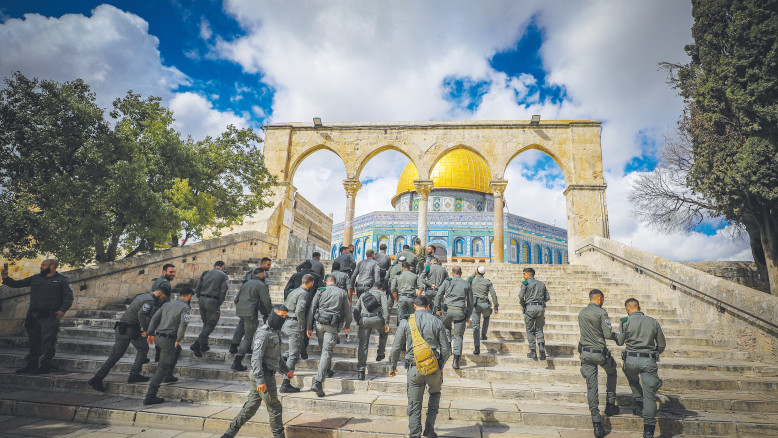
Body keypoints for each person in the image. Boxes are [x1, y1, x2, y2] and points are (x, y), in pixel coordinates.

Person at [220, 304, 290, 438]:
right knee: (275, 408)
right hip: (263, 376)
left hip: (265, 375)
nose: (283, 319)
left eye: (285, 317)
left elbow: (276, 356)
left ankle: (228, 435)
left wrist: (286, 370)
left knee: (250, 408)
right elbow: (256, 358)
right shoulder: (263, 333)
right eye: (281, 316)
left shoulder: (275, 332)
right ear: (273, 315)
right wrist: (260, 379)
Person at [88, 283, 171, 391]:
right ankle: (134, 374)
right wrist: (146, 329)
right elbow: (141, 314)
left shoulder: (142, 296)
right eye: (163, 297)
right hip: (130, 329)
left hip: (122, 327)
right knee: (142, 349)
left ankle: (98, 378)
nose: (162, 299)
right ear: (159, 292)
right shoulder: (150, 300)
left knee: (116, 355)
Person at [388, 295, 450, 438]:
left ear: (414, 306)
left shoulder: (406, 321)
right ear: (428, 306)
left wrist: (392, 367)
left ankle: (415, 434)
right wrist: (440, 364)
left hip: (414, 368)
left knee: (414, 404)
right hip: (433, 368)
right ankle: (429, 430)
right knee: (435, 395)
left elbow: (396, 347)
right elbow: (446, 350)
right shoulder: (437, 321)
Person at [2, 259, 73, 374]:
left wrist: (62, 310)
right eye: (41, 264)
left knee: (48, 341)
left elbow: (68, 297)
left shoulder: (62, 280)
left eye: (43, 265)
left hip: (50, 316)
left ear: (52, 266)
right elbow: (17, 284)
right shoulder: (35, 278)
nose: (41, 266)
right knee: (33, 341)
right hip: (33, 315)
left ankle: (46, 365)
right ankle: (32, 365)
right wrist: (6, 278)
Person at [616, 298, 666, 438]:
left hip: (631, 360)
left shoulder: (625, 321)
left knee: (633, 380)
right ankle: (648, 431)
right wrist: (652, 352)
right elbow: (661, 345)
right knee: (650, 396)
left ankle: (639, 401)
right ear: (639, 307)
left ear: (627, 308)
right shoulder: (653, 321)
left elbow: (619, 341)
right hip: (648, 361)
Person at [578, 289, 620, 438]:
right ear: (599, 298)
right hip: (599, 354)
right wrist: (619, 336)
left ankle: (596, 424)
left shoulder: (582, 313)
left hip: (585, 354)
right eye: (603, 299)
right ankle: (610, 404)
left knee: (592, 387)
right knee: (612, 371)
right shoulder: (602, 313)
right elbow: (608, 334)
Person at [143, 287, 194, 405]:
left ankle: (169, 375)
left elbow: (155, 318)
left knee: (177, 350)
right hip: (168, 339)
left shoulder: (167, 304)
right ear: (189, 296)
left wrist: (150, 333)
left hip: (158, 337)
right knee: (162, 366)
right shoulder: (185, 307)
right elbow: (183, 325)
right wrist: (179, 339)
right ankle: (150, 396)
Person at [306, 276, 352, 397]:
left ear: (326, 282)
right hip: (331, 326)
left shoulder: (320, 290)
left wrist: (309, 327)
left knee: (324, 349)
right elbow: (348, 312)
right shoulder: (342, 292)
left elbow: (312, 308)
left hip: (319, 324)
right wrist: (347, 325)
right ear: (335, 283)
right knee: (326, 351)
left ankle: (326, 369)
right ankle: (318, 382)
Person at [232, 268, 272, 371]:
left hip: (241, 311)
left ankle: (247, 349)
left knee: (247, 333)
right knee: (248, 337)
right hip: (250, 312)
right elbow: (266, 301)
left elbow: (236, 299)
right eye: (264, 274)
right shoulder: (261, 285)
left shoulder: (246, 283)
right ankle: (237, 362)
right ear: (262, 274)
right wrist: (269, 312)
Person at [434, 266, 473, 370]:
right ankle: (456, 360)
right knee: (458, 336)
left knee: (446, 328)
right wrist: (468, 315)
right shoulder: (466, 284)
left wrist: (438, 308)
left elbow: (438, 295)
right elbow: (470, 302)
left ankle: (448, 348)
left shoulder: (447, 282)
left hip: (447, 311)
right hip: (460, 311)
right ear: (461, 273)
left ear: (452, 273)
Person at [280, 274, 314, 393]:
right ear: (310, 283)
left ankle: (282, 361)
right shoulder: (304, 293)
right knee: (294, 355)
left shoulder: (293, 291)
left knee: (295, 348)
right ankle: (285, 383)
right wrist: (303, 325)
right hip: (295, 324)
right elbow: (300, 310)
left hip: (287, 322)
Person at [353, 281, 390, 380]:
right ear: (381, 288)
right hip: (377, 319)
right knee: (384, 333)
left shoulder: (363, 294)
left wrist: (359, 321)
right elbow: (385, 308)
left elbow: (355, 310)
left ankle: (361, 371)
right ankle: (380, 354)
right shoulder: (381, 293)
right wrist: (386, 322)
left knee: (363, 344)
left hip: (364, 320)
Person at [191, 261, 228, 358]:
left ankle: (204, 345)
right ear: (222, 266)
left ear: (214, 266)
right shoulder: (223, 276)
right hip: (212, 300)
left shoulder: (205, 273)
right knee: (211, 323)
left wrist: (199, 296)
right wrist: (219, 302)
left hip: (202, 299)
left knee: (206, 323)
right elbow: (223, 290)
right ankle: (197, 344)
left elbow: (198, 286)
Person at [518, 267, 550, 360]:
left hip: (529, 308)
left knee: (530, 330)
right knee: (539, 329)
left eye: (524, 274)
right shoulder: (541, 283)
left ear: (529, 274)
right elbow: (547, 298)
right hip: (540, 308)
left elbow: (520, 296)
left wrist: (524, 305)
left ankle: (533, 352)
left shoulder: (525, 283)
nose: (523, 276)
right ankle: (541, 346)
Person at [470, 266, 499, 355]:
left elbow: (467, 282)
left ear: (477, 272)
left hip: (475, 305)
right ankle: (483, 334)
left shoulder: (472, 280)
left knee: (476, 326)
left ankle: (477, 347)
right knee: (486, 317)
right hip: (485, 304)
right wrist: (496, 306)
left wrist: (473, 274)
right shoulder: (487, 282)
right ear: (484, 273)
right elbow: (493, 295)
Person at [150, 264, 176, 362]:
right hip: (160, 311)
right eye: (171, 272)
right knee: (162, 333)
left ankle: (158, 356)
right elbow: (164, 300)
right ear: (164, 272)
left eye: (174, 272)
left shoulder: (158, 280)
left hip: (155, 309)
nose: (173, 274)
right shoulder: (165, 283)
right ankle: (160, 356)